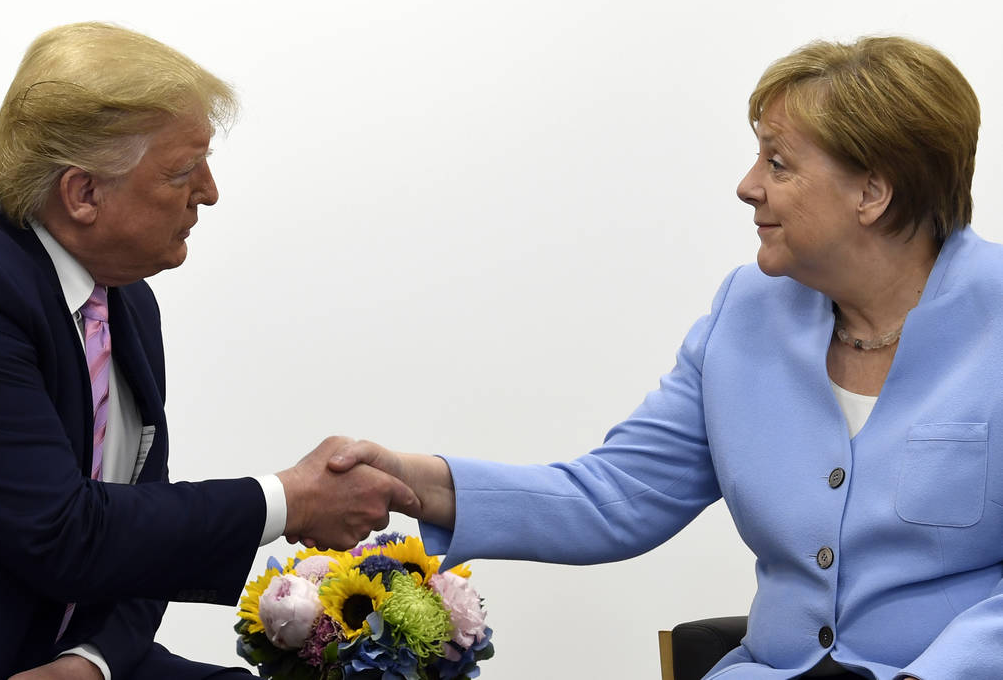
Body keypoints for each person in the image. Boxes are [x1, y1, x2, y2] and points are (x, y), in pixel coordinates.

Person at [329, 36, 1002, 679]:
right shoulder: (748, 312)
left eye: (778, 162)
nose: (747, 185)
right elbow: (615, 496)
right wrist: (409, 479)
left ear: (872, 193)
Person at [0, 22, 419, 680]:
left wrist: (91, 664)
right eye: (181, 171)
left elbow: (142, 532)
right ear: (83, 193)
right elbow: (63, 533)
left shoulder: (124, 295)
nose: (209, 191)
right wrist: (290, 500)